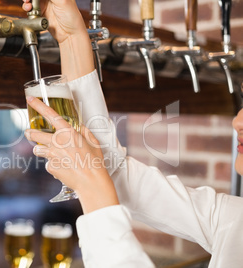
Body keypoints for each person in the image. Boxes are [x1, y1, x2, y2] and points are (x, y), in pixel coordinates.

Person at [22, 0, 243, 267]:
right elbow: (113, 172)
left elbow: (104, 176)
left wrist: (93, 189)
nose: (237, 121)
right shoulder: (235, 219)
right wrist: (71, 39)